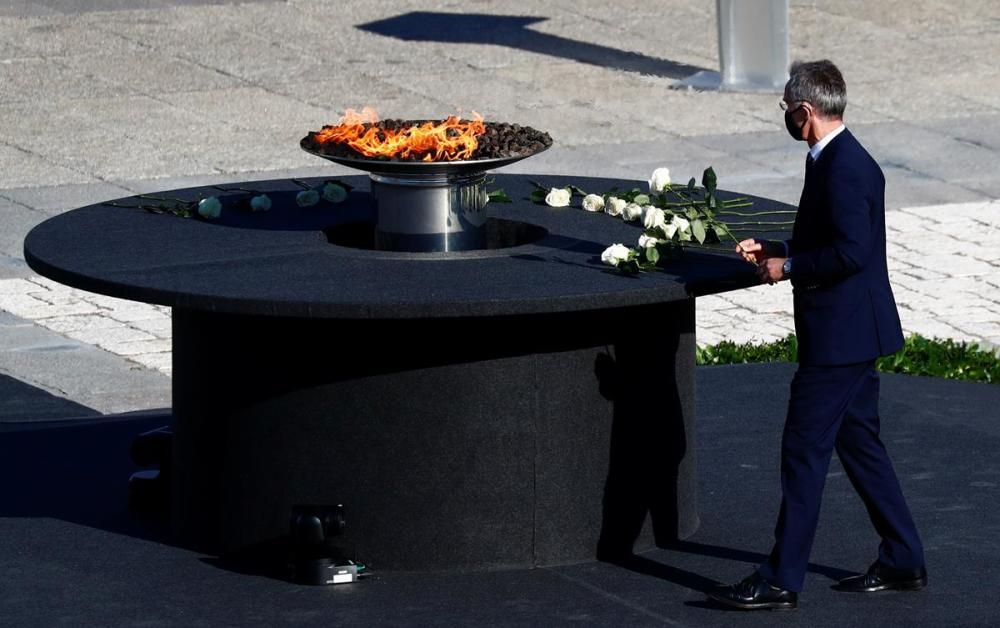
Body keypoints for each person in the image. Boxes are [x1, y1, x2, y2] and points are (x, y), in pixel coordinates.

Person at [706, 60, 927, 611]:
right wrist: (780, 249)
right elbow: (828, 236)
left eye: (786, 110)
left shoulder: (847, 167)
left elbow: (853, 254)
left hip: (841, 339)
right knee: (860, 446)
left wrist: (791, 269)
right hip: (850, 333)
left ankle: (782, 579)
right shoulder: (832, 159)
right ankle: (903, 559)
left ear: (805, 111)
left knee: (803, 451)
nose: (785, 117)